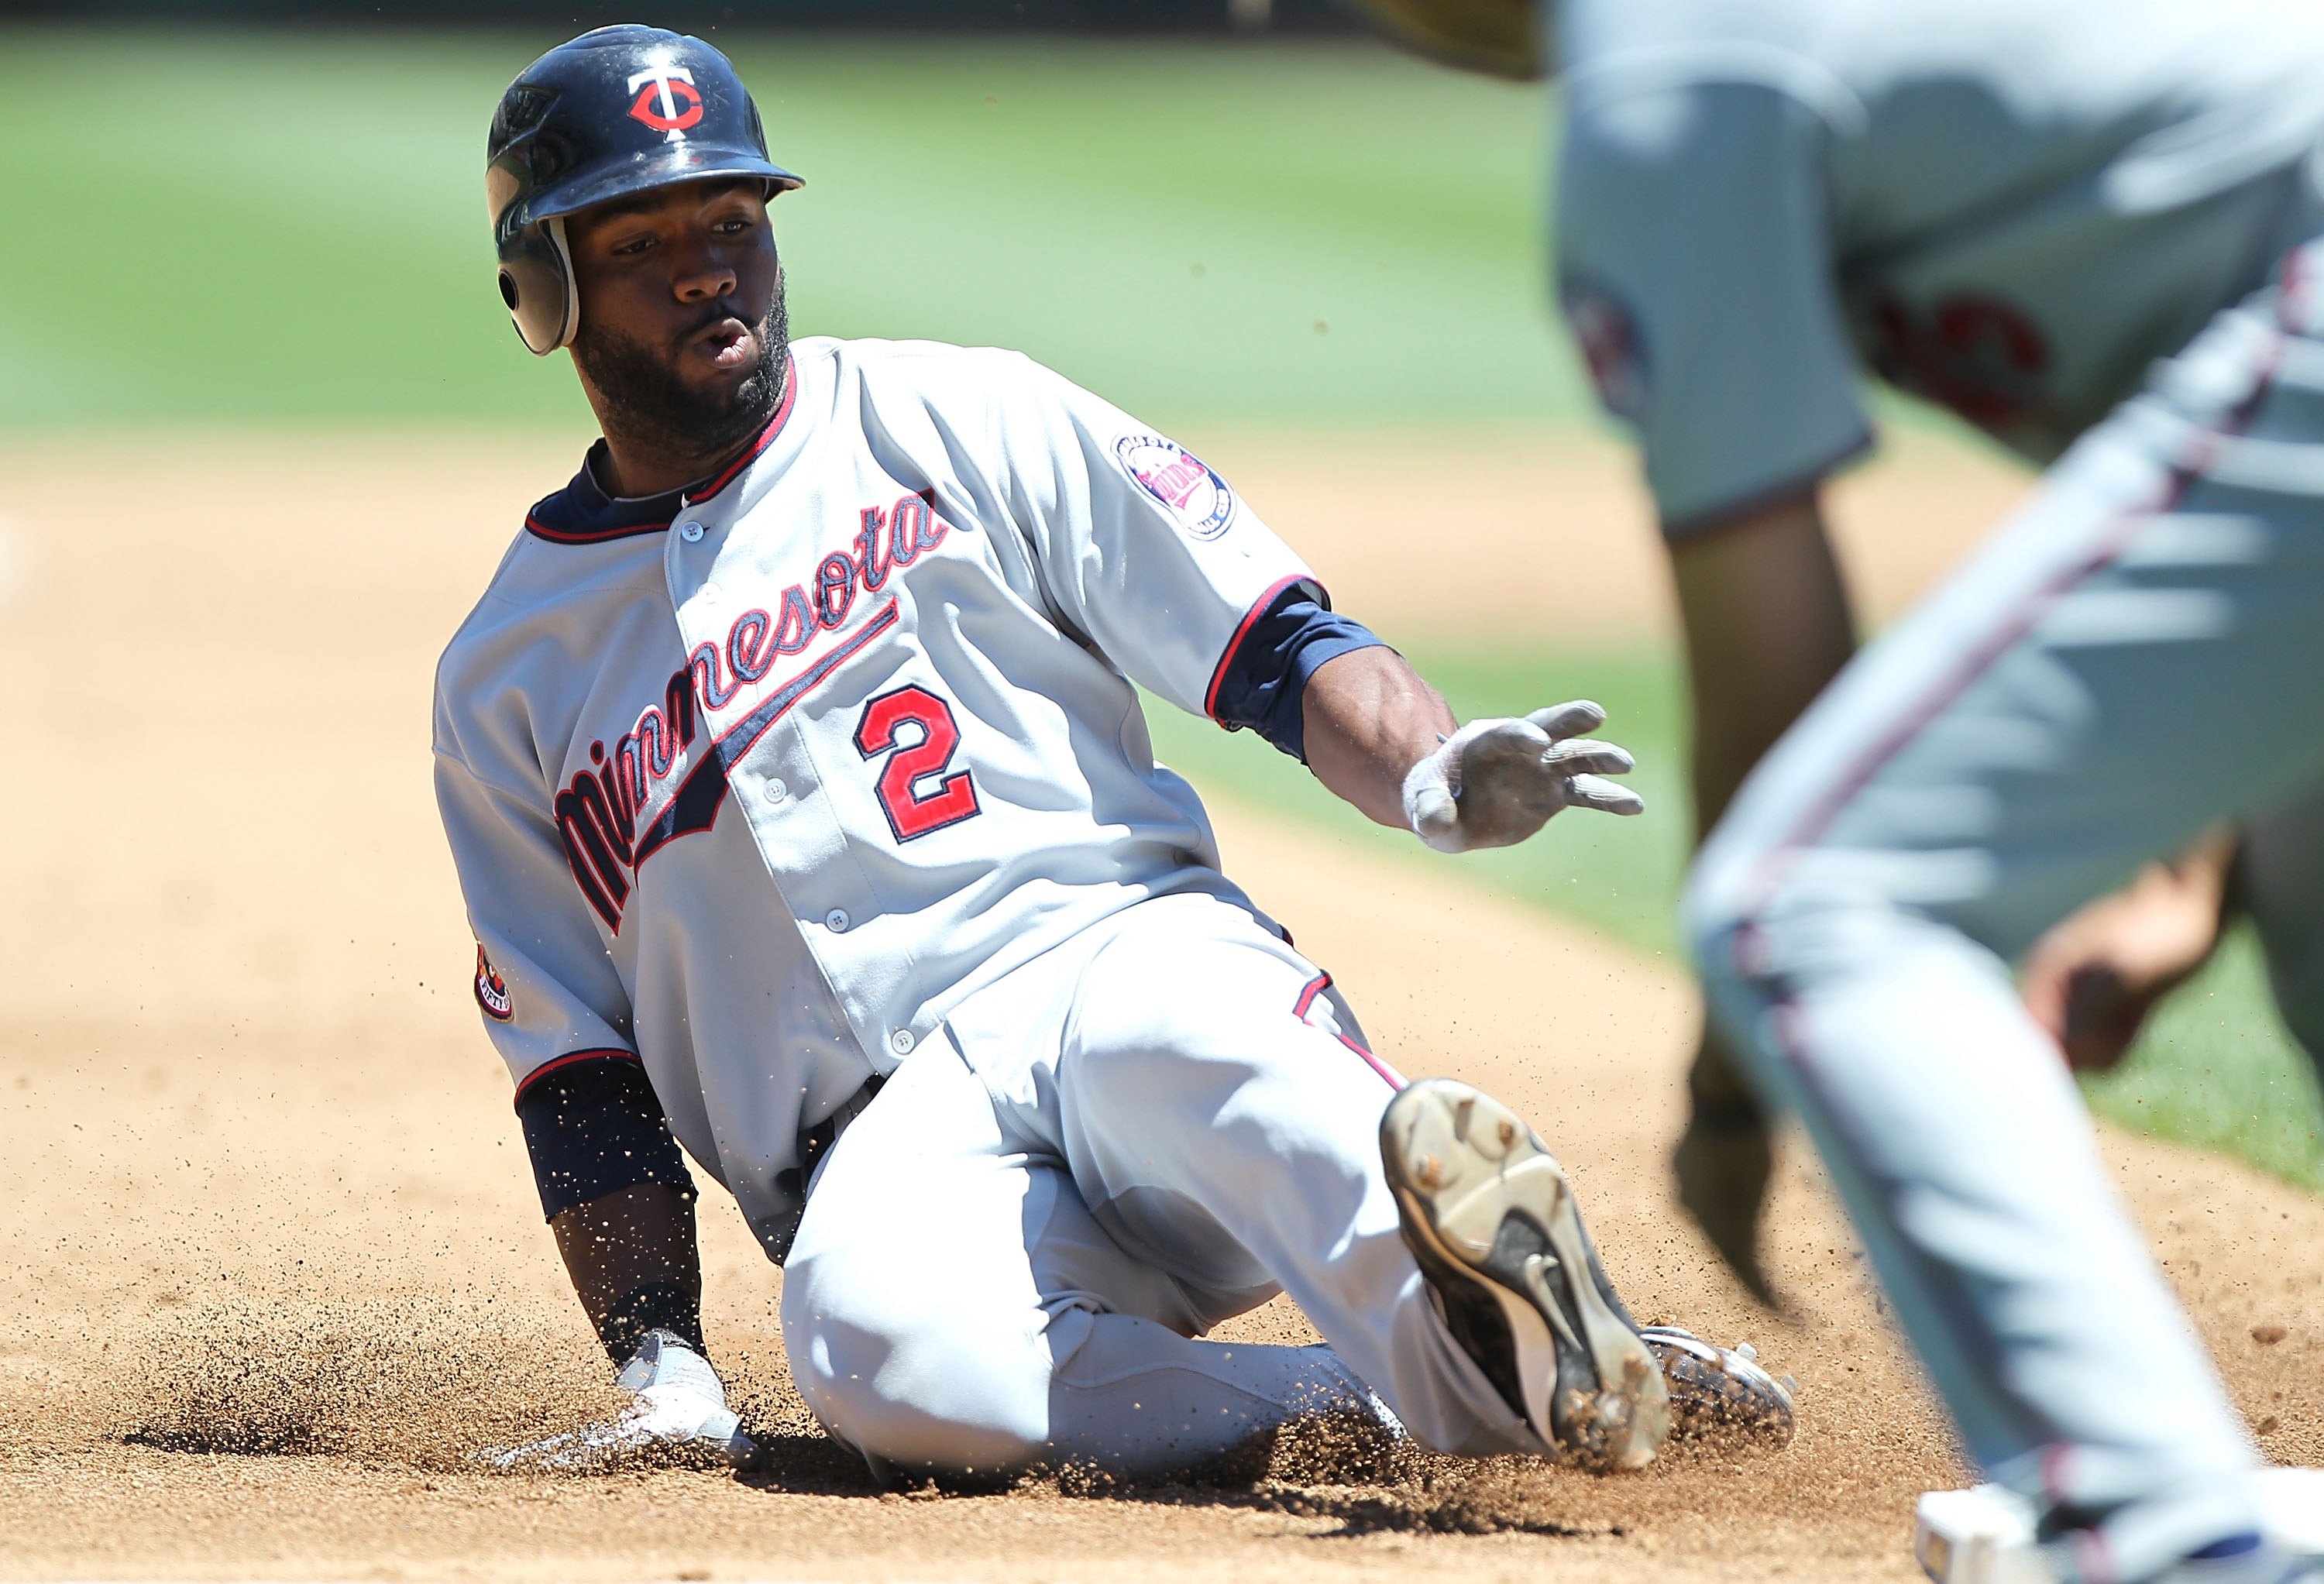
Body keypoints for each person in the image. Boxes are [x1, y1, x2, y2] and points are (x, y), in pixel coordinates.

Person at [435, 25, 1793, 1486]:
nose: (710, 265)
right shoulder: (508, 677)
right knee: (875, 1353)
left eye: (733, 218)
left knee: (1242, 1073)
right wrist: (663, 1365)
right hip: (890, 1158)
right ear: (545, 289)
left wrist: (1424, 768)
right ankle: (1430, 1390)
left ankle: (1490, 1318)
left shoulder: (958, 413)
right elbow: (578, 1072)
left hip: (1109, 959)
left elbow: (1268, 636)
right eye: (646, 239)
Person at [1340, 0, 2324, 1576]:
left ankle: (2170, 1548)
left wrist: (1735, 1088)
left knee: (1814, 906)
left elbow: (1775, 663)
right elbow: (2232, 540)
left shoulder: (1665, 74)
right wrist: (2194, 866)